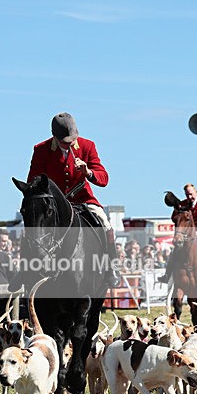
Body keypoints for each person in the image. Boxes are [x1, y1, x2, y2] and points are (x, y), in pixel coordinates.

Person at [27, 111, 120, 286]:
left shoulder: (87, 146)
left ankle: (111, 267)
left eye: (72, 140)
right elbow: (33, 181)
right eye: (65, 142)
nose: (70, 144)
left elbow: (104, 178)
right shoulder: (41, 149)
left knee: (106, 224)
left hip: (82, 199)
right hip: (54, 204)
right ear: (54, 136)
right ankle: (25, 271)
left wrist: (88, 172)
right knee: (33, 226)